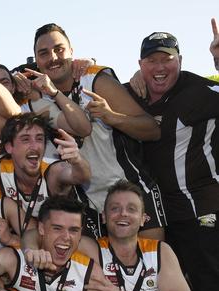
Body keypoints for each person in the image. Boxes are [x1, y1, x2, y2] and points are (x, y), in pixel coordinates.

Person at [126, 31, 219, 291]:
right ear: (140, 64)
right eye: (152, 60)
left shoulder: (200, 91)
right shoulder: (131, 95)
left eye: (167, 58)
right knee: (170, 290)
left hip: (202, 210)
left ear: (181, 60)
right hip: (159, 218)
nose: (160, 66)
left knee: (211, 289)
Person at [33, 23, 166, 240]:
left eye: (59, 49)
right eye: (44, 53)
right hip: (88, 204)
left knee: (153, 265)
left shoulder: (94, 80)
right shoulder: (38, 98)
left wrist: (111, 116)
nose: (53, 57)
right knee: (102, 274)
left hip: (131, 191)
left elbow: (152, 129)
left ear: (72, 51)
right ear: (37, 61)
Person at [0, 113, 100, 238]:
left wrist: (77, 159)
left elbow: (81, 176)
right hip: (36, 242)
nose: (35, 146)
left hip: (78, 237)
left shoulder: (53, 171)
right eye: (25, 139)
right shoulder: (0, 172)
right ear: (9, 147)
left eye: (39, 139)